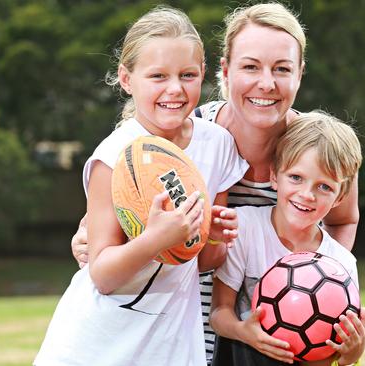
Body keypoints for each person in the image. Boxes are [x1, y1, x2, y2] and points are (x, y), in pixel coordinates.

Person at [70, 3, 361, 364]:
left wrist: (313, 279)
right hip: (188, 330)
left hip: (276, 340)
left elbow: (343, 220)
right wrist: (89, 237)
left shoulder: (320, 149)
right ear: (224, 70)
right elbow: (121, 215)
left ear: (300, 73)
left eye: (282, 69)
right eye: (250, 66)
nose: (266, 83)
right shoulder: (179, 137)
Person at [34, 6, 248, 366]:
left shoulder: (218, 145)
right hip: (99, 343)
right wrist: (155, 239)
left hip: (170, 341)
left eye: (188, 75)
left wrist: (215, 235)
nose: (175, 89)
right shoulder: (114, 156)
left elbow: (203, 261)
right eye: (158, 76)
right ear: (126, 78)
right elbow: (102, 274)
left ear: (203, 76)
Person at [210, 111, 365, 366]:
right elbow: (219, 313)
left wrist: (352, 353)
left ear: (340, 197)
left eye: (324, 186)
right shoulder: (246, 228)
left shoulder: (341, 263)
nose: (307, 195)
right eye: (296, 178)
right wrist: (244, 332)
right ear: (274, 176)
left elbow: (334, 357)